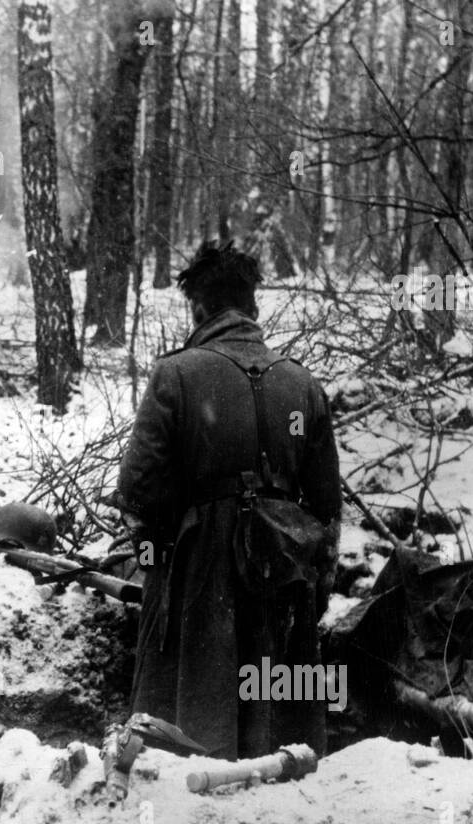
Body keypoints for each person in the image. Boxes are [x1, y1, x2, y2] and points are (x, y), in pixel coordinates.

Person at [114, 240, 342, 761]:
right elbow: (327, 510)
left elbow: (137, 495)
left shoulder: (176, 374)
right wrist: (313, 588)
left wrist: (157, 564)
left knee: (185, 735)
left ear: (198, 308)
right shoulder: (303, 385)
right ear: (253, 306)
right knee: (283, 736)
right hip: (283, 574)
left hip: (201, 575)